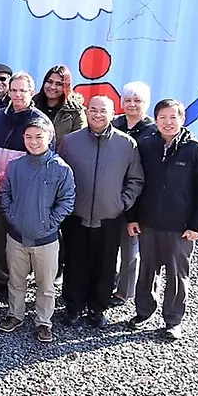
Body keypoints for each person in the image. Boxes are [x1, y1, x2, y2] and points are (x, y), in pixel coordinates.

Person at [127, 99, 198, 341]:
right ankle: (143, 312)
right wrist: (132, 217)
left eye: (173, 117)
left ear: (182, 119)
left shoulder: (196, 150)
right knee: (146, 272)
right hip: (149, 223)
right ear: (155, 120)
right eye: (162, 117)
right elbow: (136, 183)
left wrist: (197, 225)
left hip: (180, 228)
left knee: (177, 275)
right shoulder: (145, 146)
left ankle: (173, 320)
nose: (168, 122)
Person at [58, 96, 144, 329]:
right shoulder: (70, 142)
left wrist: (121, 203)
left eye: (103, 111)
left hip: (109, 217)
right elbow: (58, 175)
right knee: (75, 263)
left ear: (112, 113)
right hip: (76, 216)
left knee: (105, 266)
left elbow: (135, 179)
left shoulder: (126, 144)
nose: (97, 115)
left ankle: (97, 309)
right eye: (93, 110)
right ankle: (73, 307)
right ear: (86, 112)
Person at [0, 117, 74, 344]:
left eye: (39, 136)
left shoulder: (61, 169)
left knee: (46, 284)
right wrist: (12, 217)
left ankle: (43, 321)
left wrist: (50, 223)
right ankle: (15, 314)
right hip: (17, 236)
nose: (33, 141)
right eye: (28, 137)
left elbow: (67, 201)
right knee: (16, 279)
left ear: (50, 137)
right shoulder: (15, 166)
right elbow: (5, 194)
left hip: (46, 239)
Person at [0, 72, 50, 294]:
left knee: (20, 237)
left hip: (23, 191)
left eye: (23, 90)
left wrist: (9, 177)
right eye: (14, 90)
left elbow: (45, 160)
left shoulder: (41, 122)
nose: (18, 95)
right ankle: (2, 276)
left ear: (32, 92)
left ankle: (19, 282)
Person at [111, 80, 155, 306]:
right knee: (110, 245)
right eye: (128, 100)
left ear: (146, 104)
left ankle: (125, 291)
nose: (132, 104)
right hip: (111, 193)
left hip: (137, 196)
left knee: (130, 247)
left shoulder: (152, 131)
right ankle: (108, 282)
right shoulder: (114, 124)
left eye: (137, 101)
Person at [34, 65, 87, 150]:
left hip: (62, 159)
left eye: (59, 84)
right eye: (49, 82)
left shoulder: (75, 111)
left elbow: (80, 141)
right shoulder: (32, 105)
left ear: (66, 87)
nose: (52, 87)